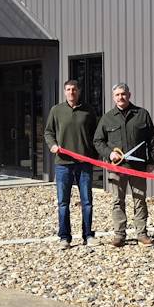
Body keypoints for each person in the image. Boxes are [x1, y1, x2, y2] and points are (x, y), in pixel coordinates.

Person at [93, 83, 154, 247]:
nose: (120, 97)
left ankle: (142, 234)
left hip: (138, 168)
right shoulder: (107, 118)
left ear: (129, 94)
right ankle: (119, 235)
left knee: (140, 200)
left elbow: (151, 140)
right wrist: (109, 153)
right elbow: (98, 141)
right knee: (117, 201)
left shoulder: (142, 114)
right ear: (113, 97)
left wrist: (151, 161)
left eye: (123, 94)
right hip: (117, 168)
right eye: (117, 95)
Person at [45, 79, 99, 249]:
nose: (71, 92)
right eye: (68, 89)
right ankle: (64, 237)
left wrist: (94, 155)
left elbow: (96, 136)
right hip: (63, 163)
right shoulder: (56, 110)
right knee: (63, 203)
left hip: (84, 163)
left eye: (74, 89)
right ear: (64, 91)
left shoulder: (89, 111)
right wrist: (52, 145)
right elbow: (48, 132)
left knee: (87, 201)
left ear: (79, 91)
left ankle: (88, 235)